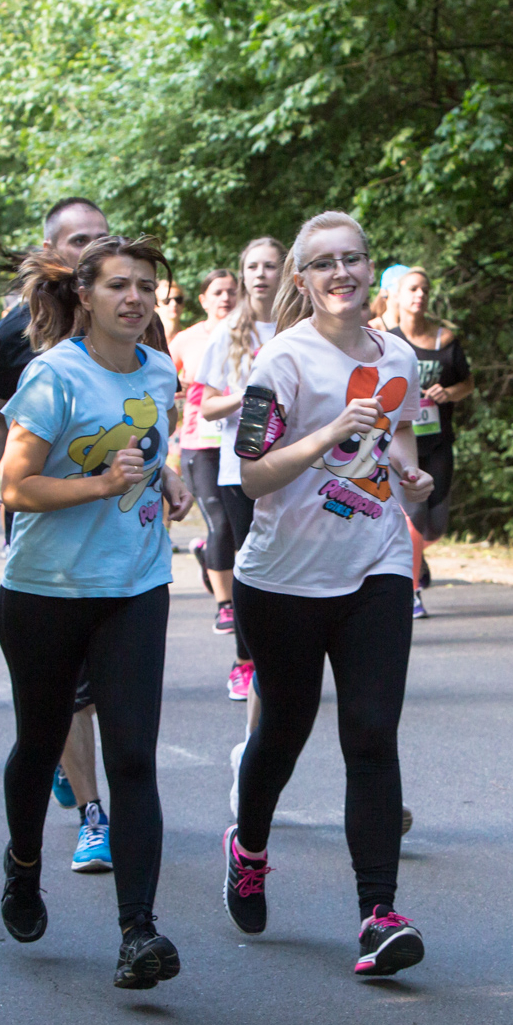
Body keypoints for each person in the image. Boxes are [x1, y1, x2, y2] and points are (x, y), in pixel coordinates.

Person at [222, 210, 430, 977]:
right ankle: (247, 847)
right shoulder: (280, 363)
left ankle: (379, 912)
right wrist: (327, 432)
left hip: (374, 560)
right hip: (282, 577)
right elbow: (252, 473)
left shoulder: (400, 354)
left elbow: (400, 431)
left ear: (369, 267)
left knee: (372, 732)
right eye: (325, 263)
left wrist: (410, 473)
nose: (342, 272)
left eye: (354, 258)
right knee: (283, 727)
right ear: (303, 281)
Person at [0, 234, 191, 988]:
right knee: (40, 743)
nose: (135, 298)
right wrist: (103, 486)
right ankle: (21, 865)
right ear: (86, 296)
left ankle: (137, 930)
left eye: (146, 286)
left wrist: (168, 478)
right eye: (119, 285)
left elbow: (148, 445)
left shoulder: (161, 371)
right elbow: (17, 486)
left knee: (134, 756)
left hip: (136, 588)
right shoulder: (53, 376)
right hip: (46, 591)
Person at [0, 197, 119, 873]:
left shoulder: (134, 321)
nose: (94, 249)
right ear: (53, 251)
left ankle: (82, 774)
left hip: (120, 530)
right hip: (42, 520)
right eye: (80, 240)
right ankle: (94, 813)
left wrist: (169, 473)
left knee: (103, 677)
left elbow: (154, 407)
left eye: (102, 238)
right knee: (67, 684)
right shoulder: (17, 329)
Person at [197, 237, 287, 701]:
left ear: (284, 272)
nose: (260, 274)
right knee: (252, 567)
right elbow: (207, 407)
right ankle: (244, 660)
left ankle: (287, 661)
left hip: (298, 464)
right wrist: (249, 395)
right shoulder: (229, 331)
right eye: (251, 265)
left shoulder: (304, 326)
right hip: (242, 464)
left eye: (270, 265)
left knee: (291, 563)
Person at [387, 267, 474, 619]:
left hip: (437, 443)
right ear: (397, 295)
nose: (419, 295)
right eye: (412, 288)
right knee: (413, 517)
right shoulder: (387, 340)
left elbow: (467, 383)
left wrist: (448, 392)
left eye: (424, 288)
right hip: (400, 443)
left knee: (435, 525)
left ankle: (417, 557)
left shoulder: (445, 340)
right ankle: (411, 592)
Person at [170, 269, 239, 610]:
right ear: (203, 300)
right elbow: (161, 383)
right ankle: (225, 605)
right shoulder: (187, 339)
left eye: (230, 291)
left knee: (242, 527)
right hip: (201, 445)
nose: (225, 298)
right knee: (221, 524)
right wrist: (176, 389)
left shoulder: (250, 336)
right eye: (217, 292)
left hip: (244, 443)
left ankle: (208, 556)